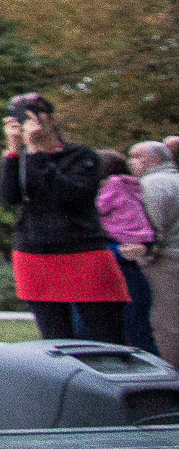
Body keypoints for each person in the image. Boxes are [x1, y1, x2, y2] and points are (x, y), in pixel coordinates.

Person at [0, 93, 128, 344]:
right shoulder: (21, 159)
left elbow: (68, 194)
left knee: (107, 338)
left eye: (34, 113)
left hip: (83, 252)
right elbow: (8, 196)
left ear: (53, 119)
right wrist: (13, 151)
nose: (28, 122)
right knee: (56, 342)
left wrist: (36, 152)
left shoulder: (82, 155)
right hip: (34, 255)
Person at [96, 149, 159, 355]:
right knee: (139, 336)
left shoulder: (106, 195)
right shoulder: (136, 191)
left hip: (108, 276)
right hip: (133, 275)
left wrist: (115, 251)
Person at [130, 141, 179, 368]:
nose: (131, 162)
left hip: (165, 263)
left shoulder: (151, 184)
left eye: (136, 156)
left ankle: (169, 376)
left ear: (155, 159)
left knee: (165, 325)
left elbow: (151, 230)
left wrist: (143, 259)